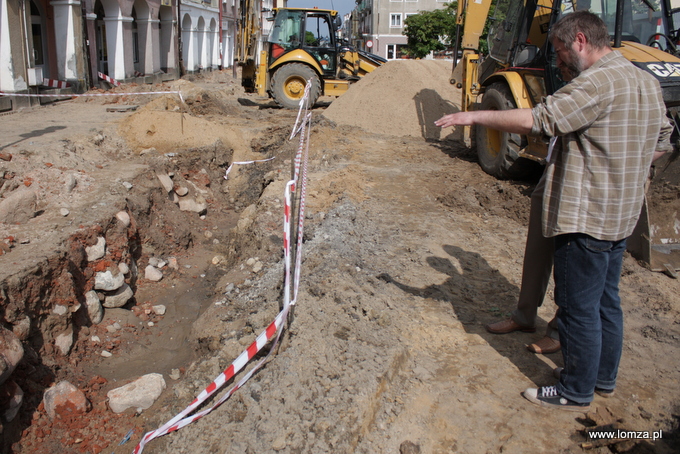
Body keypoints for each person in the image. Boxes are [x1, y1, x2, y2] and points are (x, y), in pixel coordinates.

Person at [435, 11, 672, 411]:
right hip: (621, 215)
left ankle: (574, 389)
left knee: (579, 308)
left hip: (587, 215)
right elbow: (663, 140)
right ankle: (603, 380)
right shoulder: (644, 81)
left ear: (580, 40)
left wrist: (473, 115)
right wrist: (625, 163)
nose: (560, 61)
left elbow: (538, 120)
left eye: (561, 51)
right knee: (605, 301)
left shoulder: (597, 82)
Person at [485, 175, 561, 355]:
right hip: (556, 161)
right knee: (538, 240)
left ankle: (559, 330)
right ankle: (524, 316)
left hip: (578, 166)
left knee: (568, 252)